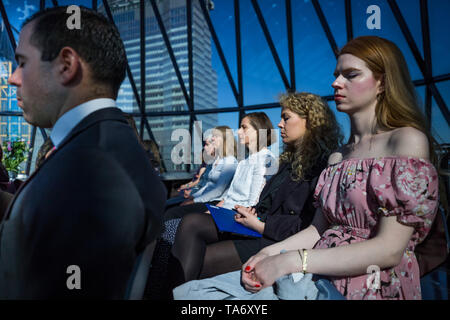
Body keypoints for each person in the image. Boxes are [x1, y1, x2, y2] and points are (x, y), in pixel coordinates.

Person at [174, 36, 441, 300]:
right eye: (337, 74)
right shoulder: (338, 156)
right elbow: (318, 229)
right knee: (192, 295)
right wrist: (269, 253)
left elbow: (389, 250)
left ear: (382, 82)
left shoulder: (405, 141)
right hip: (313, 268)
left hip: (368, 281)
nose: (336, 83)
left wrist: (290, 261)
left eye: (351, 75)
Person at [0, 6, 166, 299]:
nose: (14, 78)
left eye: (23, 63)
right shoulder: (103, 146)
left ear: (66, 65)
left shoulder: (89, 171)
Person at [166, 92, 342, 292]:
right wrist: (253, 212)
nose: (279, 124)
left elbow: (307, 223)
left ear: (311, 121)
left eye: (286, 118)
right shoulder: (288, 162)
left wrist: (260, 225)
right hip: (259, 226)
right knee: (191, 223)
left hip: (274, 238)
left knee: (199, 251)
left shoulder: (321, 166)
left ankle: (170, 292)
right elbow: (267, 201)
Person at [164, 126, 238, 220]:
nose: (212, 138)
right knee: (170, 209)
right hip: (206, 200)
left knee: (172, 213)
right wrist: (193, 197)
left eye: (215, 136)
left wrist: (194, 200)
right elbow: (207, 187)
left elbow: (218, 190)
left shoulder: (230, 161)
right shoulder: (217, 161)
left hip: (215, 202)